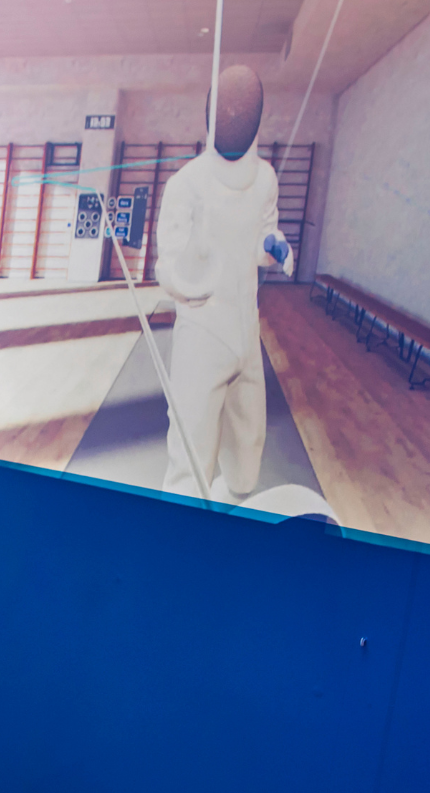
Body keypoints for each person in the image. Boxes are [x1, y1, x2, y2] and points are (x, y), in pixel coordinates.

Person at [155, 64, 294, 502]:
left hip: (246, 331)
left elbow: (261, 244)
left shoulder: (266, 180)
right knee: (191, 453)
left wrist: (274, 246)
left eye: (241, 110)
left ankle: (235, 522)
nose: (235, 115)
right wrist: (190, 271)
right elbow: (168, 268)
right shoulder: (186, 185)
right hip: (202, 334)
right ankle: (180, 538)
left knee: (247, 450)